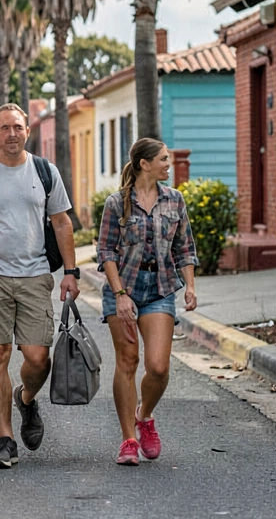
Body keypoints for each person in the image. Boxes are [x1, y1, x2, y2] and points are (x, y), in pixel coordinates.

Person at [0, 103, 79, 468]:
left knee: (39, 357)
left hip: (35, 273)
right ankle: (5, 439)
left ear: (27, 131)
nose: (11, 134)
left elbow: (62, 223)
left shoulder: (44, 171)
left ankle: (25, 398)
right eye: (4, 128)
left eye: (18, 127)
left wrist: (71, 271)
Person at [97, 137, 199, 466]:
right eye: (163, 159)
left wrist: (190, 286)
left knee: (158, 367)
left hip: (160, 288)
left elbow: (184, 247)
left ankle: (145, 415)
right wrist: (120, 295)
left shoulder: (175, 200)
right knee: (127, 362)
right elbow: (106, 252)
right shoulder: (117, 203)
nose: (168, 164)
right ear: (145, 164)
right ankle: (128, 439)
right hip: (123, 287)